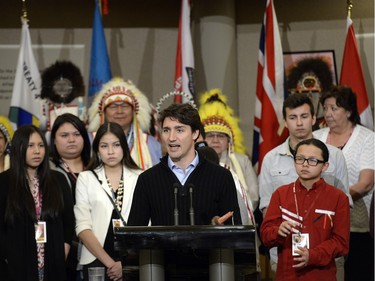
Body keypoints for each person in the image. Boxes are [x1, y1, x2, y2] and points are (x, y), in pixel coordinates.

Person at [259, 92, 351, 279]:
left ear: (313, 119)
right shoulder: (271, 159)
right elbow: (267, 212)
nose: (299, 123)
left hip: (326, 259)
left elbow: (342, 210)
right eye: (293, 117)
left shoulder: (335, 156)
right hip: (285, 257)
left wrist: (317, 252)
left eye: (304, 116)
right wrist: (278, 230)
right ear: (285, 121)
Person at [128, 103, 241, 226]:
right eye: (166, 130)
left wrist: (220, 231)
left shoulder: (221, 177)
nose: (171, 138)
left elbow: (236, 233)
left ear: (195, 134)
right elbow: (133, 237)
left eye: (179, 130)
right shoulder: (147, 180)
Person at [313, 85, 374, 281]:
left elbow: (366, 183)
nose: (328, 113)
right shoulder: (315, 138)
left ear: (348, 111)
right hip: (319, 224)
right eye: (325, 108)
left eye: (334, 108)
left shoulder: (367, 138)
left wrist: (335, 201)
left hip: (357, 225)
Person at [0, 125, 75, 281]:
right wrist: (6, 256)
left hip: (53, 257)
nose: (37, 151)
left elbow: (68, 220)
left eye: (41, 145)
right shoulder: (4, 182)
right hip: (17, 262)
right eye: (30, 146)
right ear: (18, 148)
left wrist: (65, 248)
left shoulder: (58, 180)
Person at [74, 122, 141, 281]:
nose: (111, 151)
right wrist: (111, 264)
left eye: (116, 145)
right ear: (97, 150)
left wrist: (124, 264)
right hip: (96, 259)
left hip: (133, 260)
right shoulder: (86, 178)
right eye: (104, 146)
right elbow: (83, 227)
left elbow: (148, 224)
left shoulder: (140, 177)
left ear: (124, 147)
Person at [198, 89, 259, 210]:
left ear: (229, 141)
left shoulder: (243, 161)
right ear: (202, 139)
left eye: (221, 136)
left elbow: (253, 196)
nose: (215, 140)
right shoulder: (195, 162)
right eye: (210, 136)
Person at [49, 113, 91, 280]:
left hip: (96, 249)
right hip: (61, 250)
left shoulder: (97, 168)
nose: (71, 140)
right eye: (64, 135)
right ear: (54, 140)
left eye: (76, 134)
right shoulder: (47, 172)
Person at [88, 77, 162, 170]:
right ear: (104, 112)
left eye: (125, 106)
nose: (120, 111)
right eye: (113, 106)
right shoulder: (90, 140)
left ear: (134, 111)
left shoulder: (149, 143)